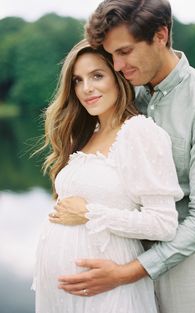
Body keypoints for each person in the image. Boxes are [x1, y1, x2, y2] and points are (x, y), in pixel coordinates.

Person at [55, 1, 195, 313]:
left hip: (186, 269)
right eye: (111, 55)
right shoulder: (127, 92)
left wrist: (127, 273)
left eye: (125, 51)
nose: (117, 65)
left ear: (161, 35)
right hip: (121, 252)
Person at [32, 38, 184, 313]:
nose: (86, 88)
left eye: (97, 76)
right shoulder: (87, 135)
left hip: (108, 291)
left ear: (119, 78)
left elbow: (164, 224)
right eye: (77, 80)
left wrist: (90, 213)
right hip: (62, 294)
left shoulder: (139, 132)